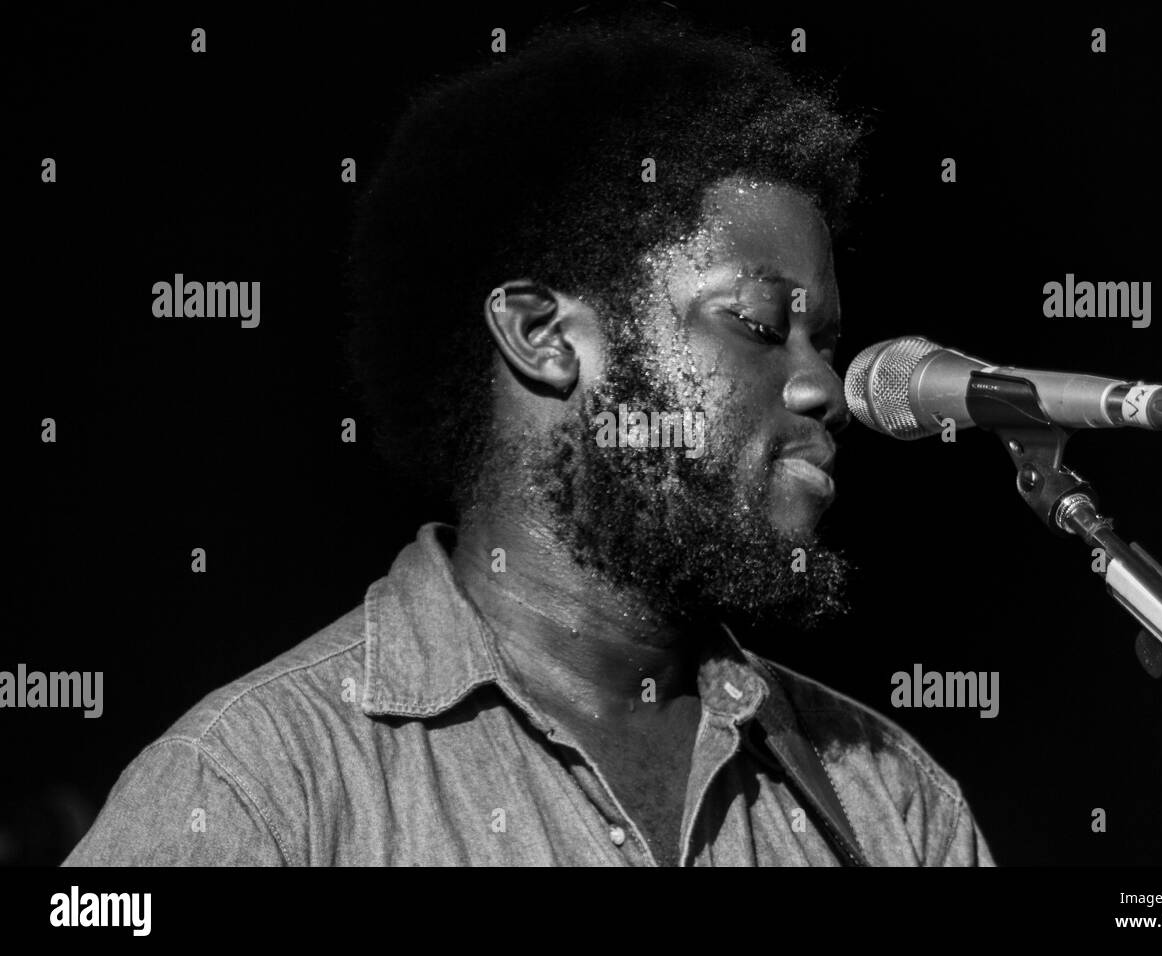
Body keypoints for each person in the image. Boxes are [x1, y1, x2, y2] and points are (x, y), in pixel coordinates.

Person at [65, 10, 993, 866]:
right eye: (756, 322)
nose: (823, 386)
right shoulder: (257, 786)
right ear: (544, 339)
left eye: (825, 341)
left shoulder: (892, 801)